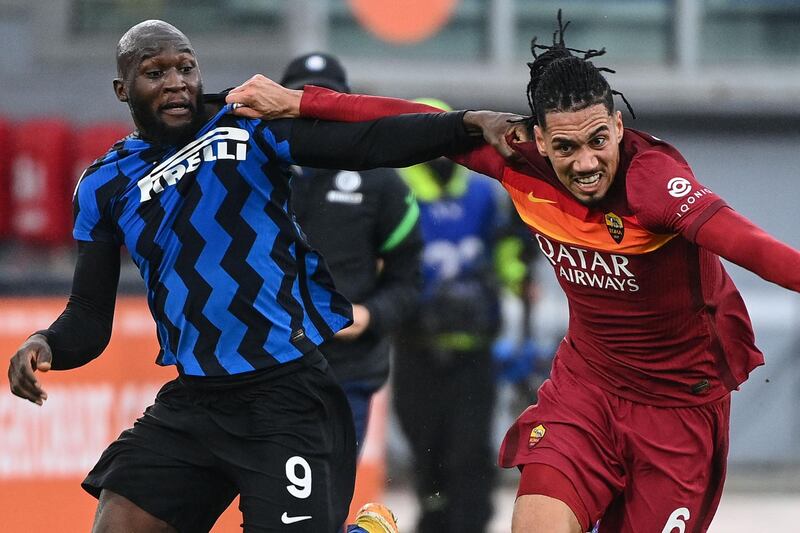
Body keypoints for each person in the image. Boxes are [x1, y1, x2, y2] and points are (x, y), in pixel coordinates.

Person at [222, 11, 800, 533]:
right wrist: (301, 103)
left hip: (678, 413)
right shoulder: (514, 160)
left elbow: (752, 244)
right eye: (567, 147)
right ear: (539, 140)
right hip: (588, 392)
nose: (587, 162)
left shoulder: (654, 186)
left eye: (600, 141)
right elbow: (416, 119)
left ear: (620, 128)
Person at [5, 19, 516, 533]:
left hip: (286, 399)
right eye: (154, 72)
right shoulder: (103, 184)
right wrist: (46, 343)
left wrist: (465, 124)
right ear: (123, 90)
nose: (176, 81)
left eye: (186, 67)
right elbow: (90, 316)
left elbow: (367, 142)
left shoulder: (247, 124)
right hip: (196, 404)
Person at [390, 97, 530, 533]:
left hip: (473, 350)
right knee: (426, 452)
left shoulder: (483, 192)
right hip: (417, 349)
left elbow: (506, 255)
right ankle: (434, 517)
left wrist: (519, 277)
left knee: (470, 454)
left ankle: (468, 523)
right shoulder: (394, 191)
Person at [280, 52, 423, 454]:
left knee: (325, 496)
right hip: (265, 366)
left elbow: (408, 280)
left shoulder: (381, 181)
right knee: (273, 506)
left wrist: (370, 314)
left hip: (347, 370)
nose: (312, 111)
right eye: (300, 100)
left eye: (324, 99)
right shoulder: (252, 169)